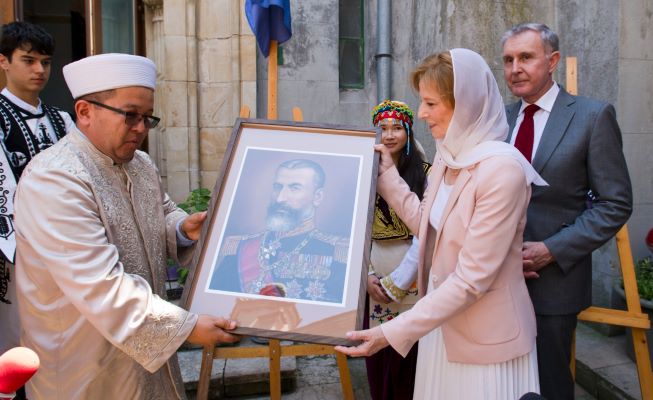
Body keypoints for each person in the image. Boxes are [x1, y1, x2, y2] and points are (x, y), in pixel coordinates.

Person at [14, 53, 239, 400]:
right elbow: (98, 284)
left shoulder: (141, 164)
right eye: (131, 115)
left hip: (145, 358)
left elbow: (163, 213)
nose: (141, 128)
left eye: (148, 118)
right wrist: (188, 327)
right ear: (84, 112)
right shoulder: (54, 178)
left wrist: (184, 229)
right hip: (85, 362)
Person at [336, 48, 547, 399]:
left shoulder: (502, 169)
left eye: (431, 103)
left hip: (484, 340)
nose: (421, 113)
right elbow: (428, 227)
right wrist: (388, 177)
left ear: (464, 104)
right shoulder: (448, 159)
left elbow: (471, 279)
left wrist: (391, 331)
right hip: (440, 325)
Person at [501, 23, 633, 399]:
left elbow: (615, 204)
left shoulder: (592, 116)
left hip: (553, 284)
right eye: (508, 60)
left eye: (526, 57)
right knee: (504, 384)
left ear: (553, 60)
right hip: (498, 279)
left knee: (549, 386)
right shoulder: (499, 118)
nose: (515, 68)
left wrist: (551, 250)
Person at [0, 21, 73, 383]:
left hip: (65, 245)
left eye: (45, 62)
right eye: (28, 60)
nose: (39, 70)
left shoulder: (63, 120)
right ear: (4, 61)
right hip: (13, 248)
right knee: (15, 334)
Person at [209, 158, 349, 303]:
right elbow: (216, 300)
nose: (280, 198)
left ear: (317, 197)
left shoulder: (336, 250)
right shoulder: (240, 246)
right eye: (277, 187)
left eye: (294, 188)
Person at [365, 100, 429, 400]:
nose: (389, 135)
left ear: (408, 133)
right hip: (374, 272)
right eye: (383, 128)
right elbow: (355, 229)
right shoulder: (363, 171)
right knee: (379, 359)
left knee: (410, 358)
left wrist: (400, 281)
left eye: (397, 128)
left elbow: (427, 232)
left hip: (414, 269)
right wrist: (366, 276)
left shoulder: (426, 174)